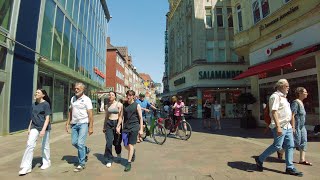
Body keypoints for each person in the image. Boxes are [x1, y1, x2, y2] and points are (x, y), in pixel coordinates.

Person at [255, 79, 303, 176]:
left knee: (290, 145)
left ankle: (289, 167)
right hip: (280, 125)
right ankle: (260, 159)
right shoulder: (275, 96)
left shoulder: (284, 97)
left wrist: (292, 126)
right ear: (281, 86)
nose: (288, 88)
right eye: (287, 86)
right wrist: (278, 127)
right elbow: (274, 112)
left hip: (287, 126)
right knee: (277, 146)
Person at [19, 89, 52, 175]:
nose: (36, 93)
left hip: (44, 127)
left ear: (43, 95)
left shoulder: (46, 104)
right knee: (29, 144)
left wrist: (43, 130)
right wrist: (29, 128)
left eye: (38, 92)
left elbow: (47, 118)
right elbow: (32, 117)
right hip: (34, 126)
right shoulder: (33, 104)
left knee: (45, 145)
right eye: (36, 92)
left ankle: (46, 162)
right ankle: (27, 167)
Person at [65, 82, 93, 172]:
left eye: (78, 88)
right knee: (74, 142)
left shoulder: (86, 99)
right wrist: (67, 123)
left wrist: (91, 127)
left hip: (83, 123)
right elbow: (70, 111)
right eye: (75, 88)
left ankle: (81, 163)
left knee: (80, 143)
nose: (76, 90)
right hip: (74, 124)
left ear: (83, 89)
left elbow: (90, 114)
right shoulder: (73, 98)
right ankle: (86, 150)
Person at [116, 90, 143, 172]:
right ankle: (133, 151)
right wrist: (118, 126)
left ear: (133, 96)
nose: (128, 97)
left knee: (131, 145)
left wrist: (141, 129)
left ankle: (128, 163)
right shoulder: (124, 105)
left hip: (134, 127)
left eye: (130, 95)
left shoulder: (137, 105)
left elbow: (141, 118)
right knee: (125, 145)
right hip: (126, 127)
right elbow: (121, 117)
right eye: (127, 95)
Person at [291, 87, 312, 166]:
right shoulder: (295, 103)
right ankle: (281, 151)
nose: (306, 93)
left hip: (302, 126)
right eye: (305, 92)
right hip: (296, 126)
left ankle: (302, 160)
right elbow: (292, 115)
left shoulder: (301, 102)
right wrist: (293, 127)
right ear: (299, 93)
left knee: (304, 141)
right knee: (295, 142)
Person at [103, 91, 123, 168]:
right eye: (109, 95)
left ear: (115, 96)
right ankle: (109, 159)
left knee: (117, 143)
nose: (110, 96)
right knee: (109, 142)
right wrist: (104, 126)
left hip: (117, 123)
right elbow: (106, 117)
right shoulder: (107, 105)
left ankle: (118, 154)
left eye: (112, 95)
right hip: (109, 124)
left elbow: (121, 117)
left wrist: (118, 126)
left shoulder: (119, 104)